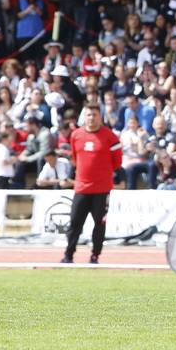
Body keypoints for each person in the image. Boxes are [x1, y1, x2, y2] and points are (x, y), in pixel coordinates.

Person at [61, 104, 122, 265]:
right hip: (81, 188)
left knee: (99, 224)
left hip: (101, 189)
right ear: (84, 117)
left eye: (95, 115)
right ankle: (68, 254)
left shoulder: (110, 137)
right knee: (74, 222)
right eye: (89, 115)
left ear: (100, 117)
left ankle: (95, 255)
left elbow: (117, 162)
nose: (92, 118)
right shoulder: (76, 135)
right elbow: (75, 158)